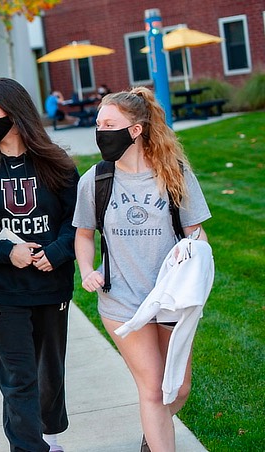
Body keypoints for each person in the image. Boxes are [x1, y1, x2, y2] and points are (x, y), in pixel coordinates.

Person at [72, 87, 211, 452]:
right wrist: (87, 269)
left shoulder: (173, 174)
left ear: (134, 130)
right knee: (152, 388)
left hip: (170, 299)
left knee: (177, 388)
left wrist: (194, 252)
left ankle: (153, 439)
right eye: (99, 124)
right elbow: (83, 234)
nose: (101, 131)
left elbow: (197, 233)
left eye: (109, 124)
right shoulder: (97, 180)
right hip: (122, 301)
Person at [0, 78, 78, 452]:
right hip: (1, 292)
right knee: (18, 377)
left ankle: (48, 437)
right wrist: (8, 253)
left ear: (15, 112)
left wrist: (54, 253)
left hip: (50, 286)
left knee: (48, 373)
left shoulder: (56, 163)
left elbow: (79, 222)